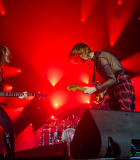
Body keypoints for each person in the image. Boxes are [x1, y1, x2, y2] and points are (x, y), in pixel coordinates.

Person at [69, 42, 136, 111]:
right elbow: (110, 80)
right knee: (107, 113)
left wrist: (94, 89)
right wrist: (97, 90)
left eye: (80, 54)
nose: (80, 57)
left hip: (121, 85)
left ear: (84, 51)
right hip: (114, 87)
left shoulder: (100, 57)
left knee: (123, 115)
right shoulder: (97, 60)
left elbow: (113, 79)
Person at [0, 46, 27, 159]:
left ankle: (11, 156)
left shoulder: (1, 69)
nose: (10, 55)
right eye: (7, 53)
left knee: (8, 125)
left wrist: (18, 95)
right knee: (8, 125)